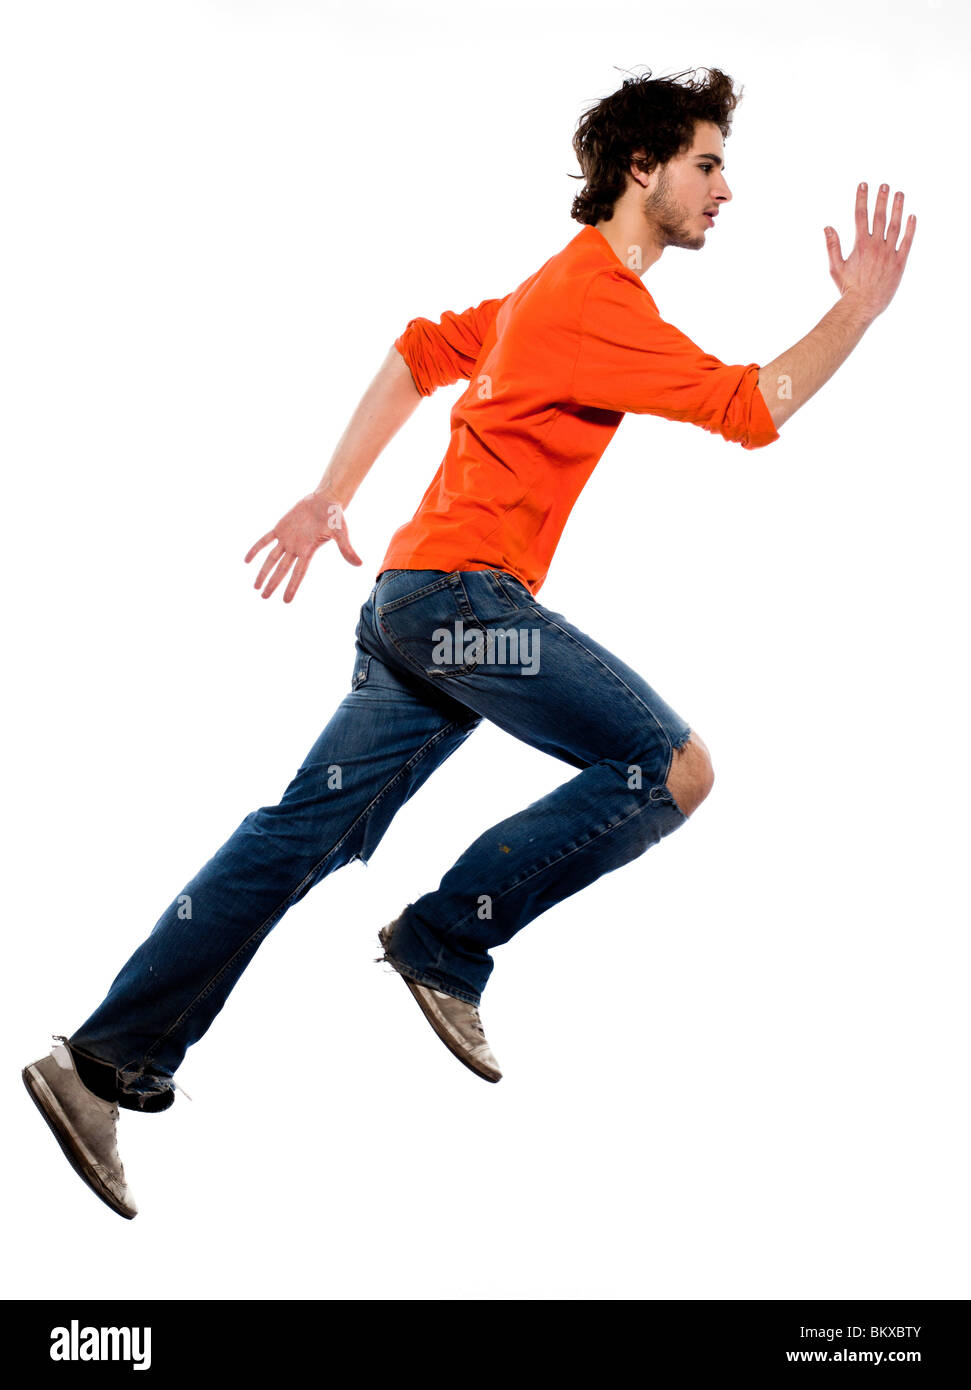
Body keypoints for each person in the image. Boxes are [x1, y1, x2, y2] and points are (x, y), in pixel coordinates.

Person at [22, 66, 916, 1219]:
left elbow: (415, 349)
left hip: (411, 613)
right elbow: (750, 408)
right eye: (705, 164)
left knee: (293, 837)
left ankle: (100, 1061)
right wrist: (855, 312)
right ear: (640, 169)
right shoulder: (593, 300)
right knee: (670, 767)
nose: (723, 190)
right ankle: (447, 938)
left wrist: (329, 494)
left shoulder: (543, 294)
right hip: (458, 615)